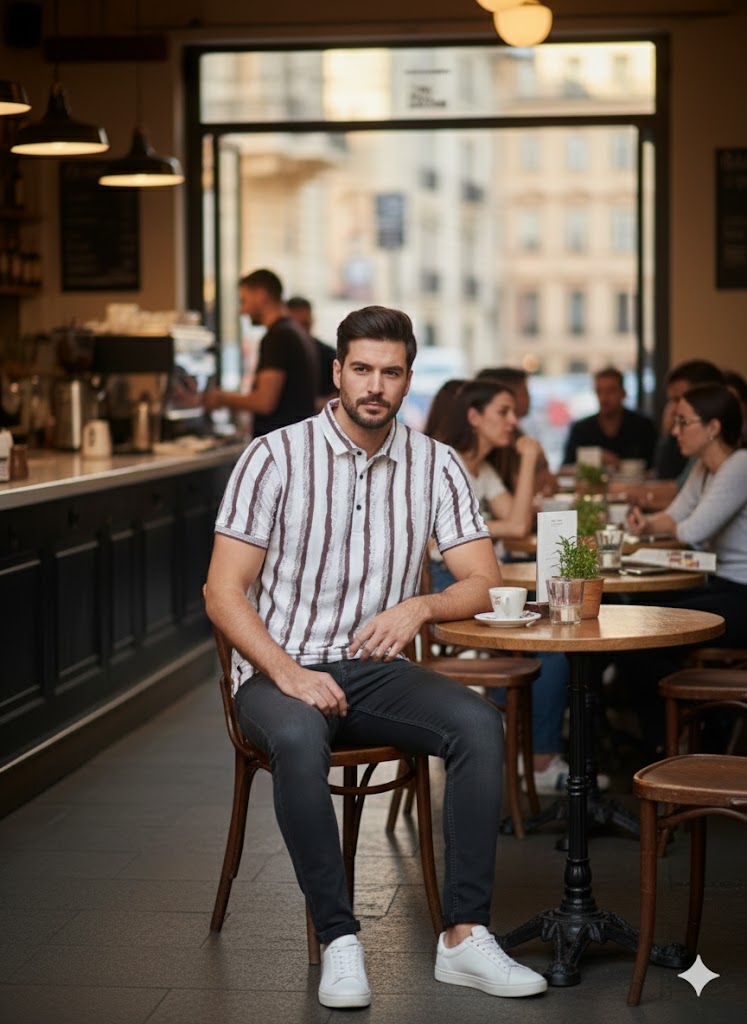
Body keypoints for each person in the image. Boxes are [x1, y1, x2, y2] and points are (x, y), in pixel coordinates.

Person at [206, 306, 548, 1009]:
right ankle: (339, 940)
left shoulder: (435, 464)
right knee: (299, 734)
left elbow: (485, 580)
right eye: (361, 368)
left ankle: (463, 937)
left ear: (407, 381)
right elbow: (222, 590)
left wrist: (420, 605)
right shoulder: (274, 457)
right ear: (336, 372)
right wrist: (288, 672)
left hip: (376, 673)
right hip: (279, 667)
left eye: (390, 373)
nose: (374, 385)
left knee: (478, 726)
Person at [429, 378, 606, 794]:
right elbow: (514, 525)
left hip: (486, 578)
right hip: (449, 583)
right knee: (557, 643)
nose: (515, 421)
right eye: (504, 412)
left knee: (560, 627)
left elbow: (516, 521)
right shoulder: (449, 462)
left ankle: (518, 745)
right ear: (474, 417)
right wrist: (528, 460)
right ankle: (540, 758)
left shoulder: (481, 468)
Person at [621, 383, 747, 756]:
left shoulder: (738, 465)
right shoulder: (703, 468)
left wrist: (660, 524)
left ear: (713, 428)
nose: (674, 430)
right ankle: (678, 734)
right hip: (717, 584)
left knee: (639, 641)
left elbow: (693, 531)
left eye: (683, 422)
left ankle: (681, 738)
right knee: (630, 616)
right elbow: (675, 516)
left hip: (741, 594)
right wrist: (646, 525)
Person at [203, 269, 318, 435]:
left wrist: (221, 397)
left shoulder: (278, 336)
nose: (242, 310)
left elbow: (265, 402)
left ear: (261, 295)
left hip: (281, 449)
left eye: (244, 300)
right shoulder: (295, 332)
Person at [562, 367, 658, 471]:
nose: (604, 398)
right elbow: (564, 469)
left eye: (611, 391)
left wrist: (621, 465)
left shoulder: (643, 426)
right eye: (599, 391)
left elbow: (657, 469)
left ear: (623, 393)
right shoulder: (581, 429)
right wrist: (595, 459)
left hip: (635, 486)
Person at [653, 359, 724, 481]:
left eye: (678, 399)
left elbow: (674, 489)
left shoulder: (737, 462)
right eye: (671, 401)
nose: (672, 409)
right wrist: (667, 434)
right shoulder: (700, 461)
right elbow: (664, 475)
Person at [287, 294, 338, 409]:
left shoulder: (328, 354)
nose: (302, 331)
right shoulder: (281, 356)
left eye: (305, 324)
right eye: (297, 327)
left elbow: (339, 394)